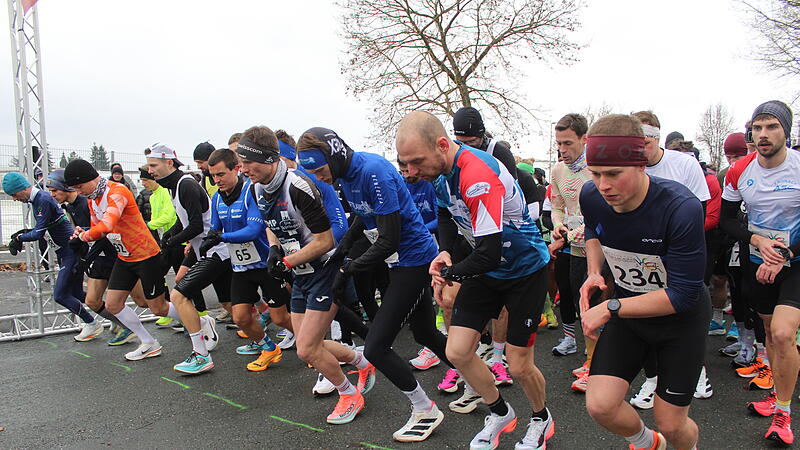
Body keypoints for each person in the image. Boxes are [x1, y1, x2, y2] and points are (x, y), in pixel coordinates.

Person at [396, 111, 553, 450]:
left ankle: (541, 418)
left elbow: (490, 253)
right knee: (458, 350)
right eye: (405, 164)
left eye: (415, 163)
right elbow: (444, 212)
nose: (411, 173)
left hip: (524, 270)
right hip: (486, 267)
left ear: (442, 145)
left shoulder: (475, 173)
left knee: (519, 364)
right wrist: (446, 252)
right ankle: (500, 413)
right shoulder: (438, 171)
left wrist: (447, 274)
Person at [298, 126, 448, 441]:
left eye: (321, 170)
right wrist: (338, 256)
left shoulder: (374, 171)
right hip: (401, 261)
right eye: (312, 173)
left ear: (335, 155)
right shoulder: (347, 175)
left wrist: (347, 270)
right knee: (424, 332)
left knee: (377, 347)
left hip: (415, 259)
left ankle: (425, 409)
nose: (320, 178)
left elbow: (389, 239)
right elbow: (359, 219)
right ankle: (477, 378)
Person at [578, 114, 708, 450]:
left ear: (641, 164)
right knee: (600, 405)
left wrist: (610, 306)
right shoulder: (592, 196)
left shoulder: (681, 208)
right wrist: (595, 270)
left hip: (678, 320)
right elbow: (594, 230)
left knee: (672, 423)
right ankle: (649, 443)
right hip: (630, 312)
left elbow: (682, 295)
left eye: (614, 174)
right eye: (596, 174)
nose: (603, 185)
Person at [241, 125, 375, 426]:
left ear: (268, 158)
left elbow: (326, 240)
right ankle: (361, 361)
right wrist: (275, 250)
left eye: (248, 162)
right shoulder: (257, 187)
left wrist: (286, 261)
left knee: (307, 347)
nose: (243, 168)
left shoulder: (297, 186)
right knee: (307, 347)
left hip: (325, 271)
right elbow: (272, 225)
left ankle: (349, 393)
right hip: (300, 272)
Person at [720, 100, 800, 445]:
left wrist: (786, 253)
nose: (763, 134)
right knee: (769, 331)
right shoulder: (740, 171)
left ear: (786, 131)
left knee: (783, 334)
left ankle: (784, 411)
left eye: (772, 127)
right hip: (758, 265)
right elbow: (725, 220)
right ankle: (776, 395)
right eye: (758, 127)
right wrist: (755, 239)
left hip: (794, 264)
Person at [627, 110, 714, 407]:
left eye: (646, 142)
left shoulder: (685, 164)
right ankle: (652, 378)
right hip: (640, 256)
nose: (640, 149)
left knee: (686, 311)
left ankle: (696, 371)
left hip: (680, 252)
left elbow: (699, 211)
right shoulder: (628, 167)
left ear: (657, 138)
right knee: (647, 316)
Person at [64, 159, 168, 361]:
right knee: (113, 304)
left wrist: (85, 236)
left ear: (91, 179)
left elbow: (107, 225)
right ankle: (149, 342)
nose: (79, 191)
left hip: (145, 253)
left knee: (157, 307)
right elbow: (97, 227)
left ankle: (199, 321)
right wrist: (81, 232)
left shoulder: (117, 191)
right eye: (74, 188)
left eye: (79, 186)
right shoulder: (93, 198)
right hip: (124, 256)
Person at [203, 148, 292, 371]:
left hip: (265, 265)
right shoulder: (216, 199)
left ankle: (314, 346)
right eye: (213, 176)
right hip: (241, 267)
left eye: (221, 174)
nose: (216, 180)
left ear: (236, 169)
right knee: (241, 318)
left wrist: (221, 237)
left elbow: (253, 230)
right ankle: (269, 348)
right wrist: (210, 239)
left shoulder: (251, 192)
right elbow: (215, 228)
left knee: (280, 318)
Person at [145, 144, 229, 374]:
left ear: (169, 163)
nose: (150, 171)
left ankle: (201, 354)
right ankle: (204, 324)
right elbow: (184, 222)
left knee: (178, 294)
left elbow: (195, 225)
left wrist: (171, 242)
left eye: (154, 165)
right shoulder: (174, 187)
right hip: (202, 249)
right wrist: (171, 235)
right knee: (233, 307)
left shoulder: (186, 185)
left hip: (217, 250)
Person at [3, 171, 101, 340]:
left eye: (13, 194)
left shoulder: (42, 200)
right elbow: (41, 229)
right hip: (66, 252)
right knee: (77, 293)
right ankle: (115, 315)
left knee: (60, 295)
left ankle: (92, 323)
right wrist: (21, 235)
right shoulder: (37, 200)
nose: (13, 199)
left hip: (71, 252)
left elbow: (38, 233)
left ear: (21, 189)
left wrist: (19, 237)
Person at [46, 169, 137, 345]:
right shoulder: (70, 206)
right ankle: (126, 327)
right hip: (99, 257)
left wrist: (86, 258)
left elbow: (102, 231)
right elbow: (87, 232)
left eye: (55, 190)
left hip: (115, 255)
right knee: (92, 301)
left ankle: (189, 320)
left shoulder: (83, 203)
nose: (52, 195)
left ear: (66, 188)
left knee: (145, 301)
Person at [546, 113, 595, 394]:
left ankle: (597, 364)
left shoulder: (597, 167)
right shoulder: (557, 171)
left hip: (599, 246)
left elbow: (610, 207)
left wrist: (585, 230)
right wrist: (558, 225)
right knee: (580, 302)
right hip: (573, 247)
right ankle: (592, 359)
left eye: (567, 143)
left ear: (584, 140)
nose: (562, 150)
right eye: (558, 144)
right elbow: (557, 206)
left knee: (598, 304)